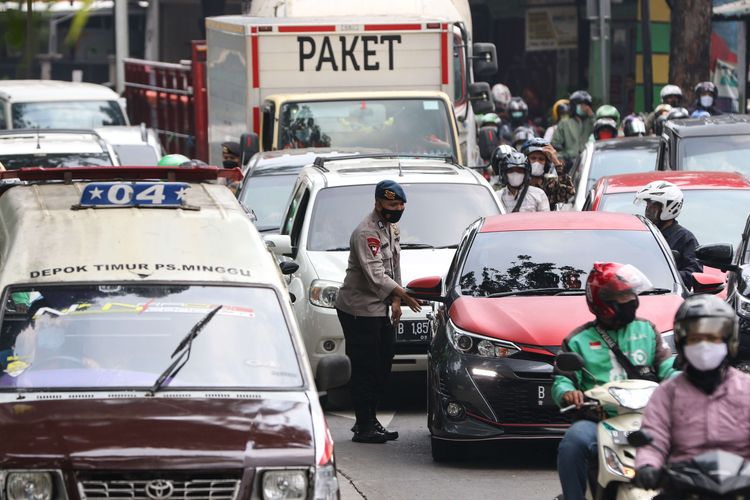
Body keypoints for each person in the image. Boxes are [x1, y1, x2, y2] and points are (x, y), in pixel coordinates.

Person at [553, 262, 677, 500]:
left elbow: (666, 366)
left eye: (632, 294)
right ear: (604, 303)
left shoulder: (647, 330)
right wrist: (568, 393)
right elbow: (563, 380)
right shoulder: (577, 340)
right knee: (573, 444)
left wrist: (682, 382)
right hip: (599, 419)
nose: (631, 300)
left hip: (648, 417)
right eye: (623, 296)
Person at [334, 180, 422, 444]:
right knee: (365, 367)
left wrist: (396, 300)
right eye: (392, 204)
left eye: (400, 205)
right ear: (378, 203)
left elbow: (394, 265)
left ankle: (368, 419)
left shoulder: (391, 229)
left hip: (380, 306)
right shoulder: (367, 233)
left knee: (384, 362)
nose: (397, 209)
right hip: (359, 309)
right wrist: (403, 295)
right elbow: (375, 276)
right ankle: (364, 425)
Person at [633, 295, 750, 492]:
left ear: (729, 341)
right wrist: (647, 467)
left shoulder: (746, 389)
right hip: (684, 488)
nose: (704, 346)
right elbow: (654, 438)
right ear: (682, 343)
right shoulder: (667, 393)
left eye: (712, 338)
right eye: (696, 339)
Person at [634, 180, 702, 289]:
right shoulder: (640, 235)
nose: (648, 210)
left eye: (653, 206)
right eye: (647, 205)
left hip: (669, 295)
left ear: (669, 208)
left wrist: (667, 275)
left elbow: (694, 275)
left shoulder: (685, 238)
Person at [521, 137, 574, 208]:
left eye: (541, 159)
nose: (537, 162)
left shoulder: (550, 184)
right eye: (533, 158)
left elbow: (569, 193)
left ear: (546, 164)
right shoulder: (518, 183)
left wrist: (556, 162)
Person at [552, 90, 594, 169]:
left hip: (588, 162)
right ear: (574, 105)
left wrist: (591, 115)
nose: (585, 108)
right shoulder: (565, 123)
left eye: (587, 105)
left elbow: (598, 131)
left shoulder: (590, 122)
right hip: (569, 163)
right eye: (582, 105)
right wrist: (562, 158)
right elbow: (555, 144)